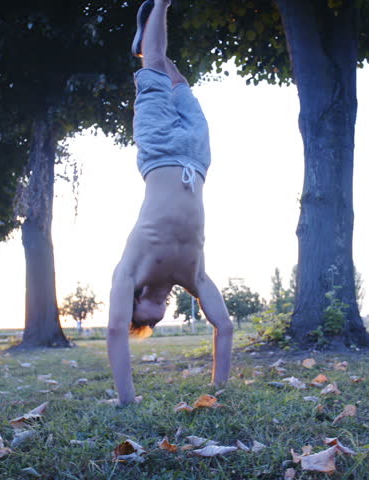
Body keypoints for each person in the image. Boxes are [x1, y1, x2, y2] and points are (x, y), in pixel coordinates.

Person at [106, 0, 233, 406]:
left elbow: (113, 332)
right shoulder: (193, 278)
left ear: (134, 301)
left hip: (160, 148)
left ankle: (159, 8)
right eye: (151, 324)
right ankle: (146, 38)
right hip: (197, 156)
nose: (152, 320)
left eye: (141, 318)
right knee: (177, 79)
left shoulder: (130, 270)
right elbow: (225, 326)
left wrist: (128, 400)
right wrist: (218, 389)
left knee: (155, 62)